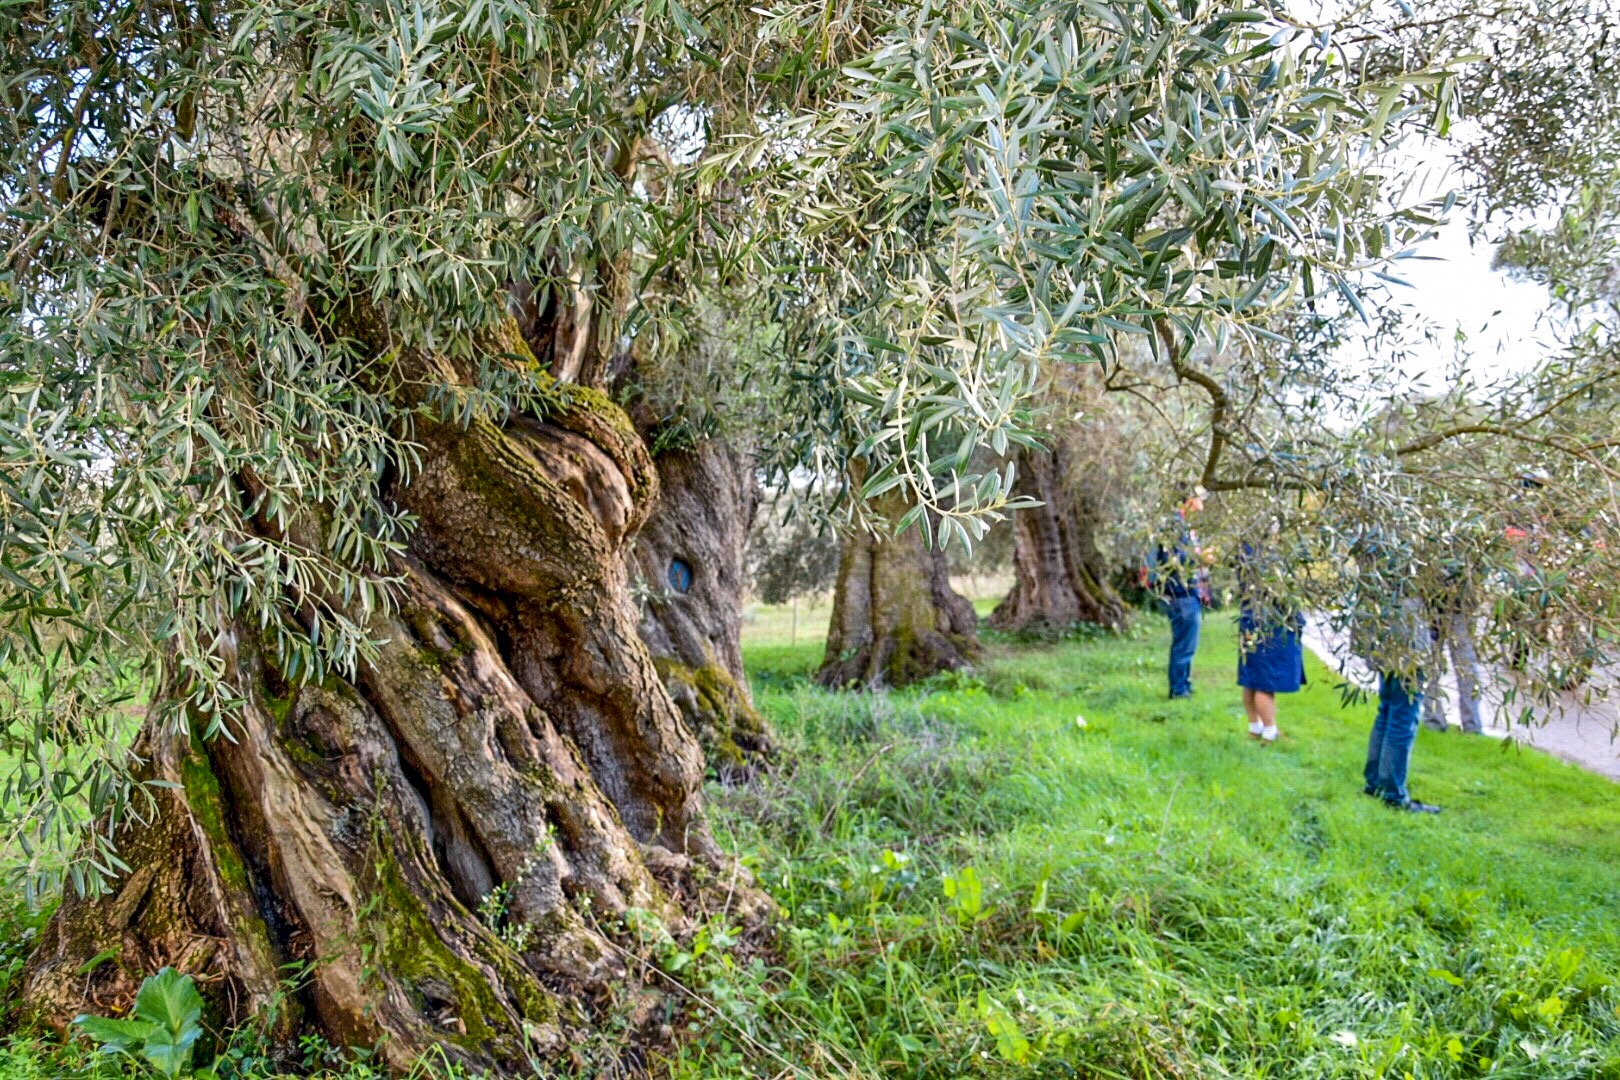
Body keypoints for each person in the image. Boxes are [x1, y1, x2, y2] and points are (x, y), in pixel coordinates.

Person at [1350, 530, 1441, 814]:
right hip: (1405, 626)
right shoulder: (1412, 527)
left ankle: (1375, 784)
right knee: (1403, 711)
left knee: (1389, 706)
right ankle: (1392, 794)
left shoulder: (1375, 526)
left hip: (1380, 620)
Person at [1144, 486, 1213, 699]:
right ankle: (1178, 690)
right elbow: (1174, 559)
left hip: (1186, 593)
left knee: (1187, 643)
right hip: (1180, 594)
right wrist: (1200, 558)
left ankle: (1184, 684)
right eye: (1199, 499)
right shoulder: (1175, 526)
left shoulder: (1182, 525)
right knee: (1184, 644)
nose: (1201, 506)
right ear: (1189, 499)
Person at [1235, 542, 1305, 744]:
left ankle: (1255, 728)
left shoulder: (1244, 546)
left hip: (1250, 620)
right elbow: (1278, 589)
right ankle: (1269, 732)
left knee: (1251, 676)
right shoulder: (1263, 552)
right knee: (1265, 681)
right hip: (1268, 622)